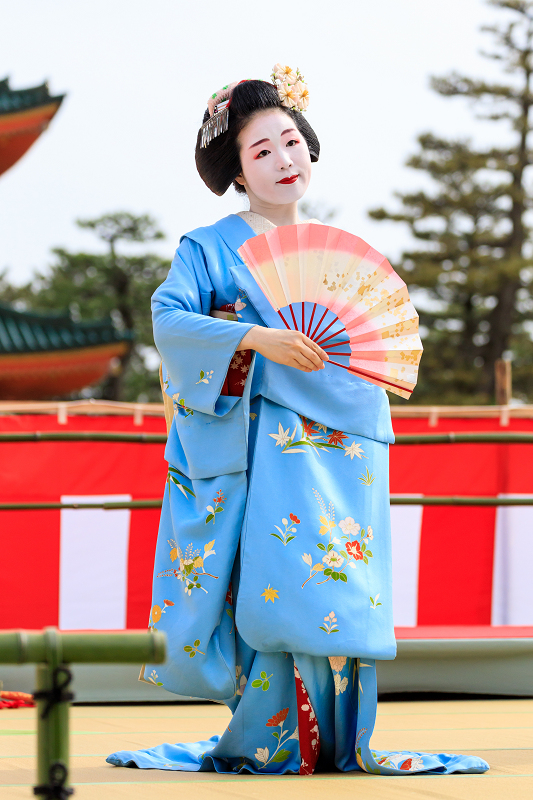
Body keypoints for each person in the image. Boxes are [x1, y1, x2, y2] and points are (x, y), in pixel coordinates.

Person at [107, 66, 488, 777]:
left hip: (331, 456)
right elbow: (170, 319)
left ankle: (338, 739)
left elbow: (366, 350)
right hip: (255, 453)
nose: (284, 160)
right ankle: (267, 739)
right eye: (261, 151)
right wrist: (256, 339)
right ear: (237, 173)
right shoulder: (207, 247)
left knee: (329, 583)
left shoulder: (335, 256)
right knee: (265, 588)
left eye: (291, 142)